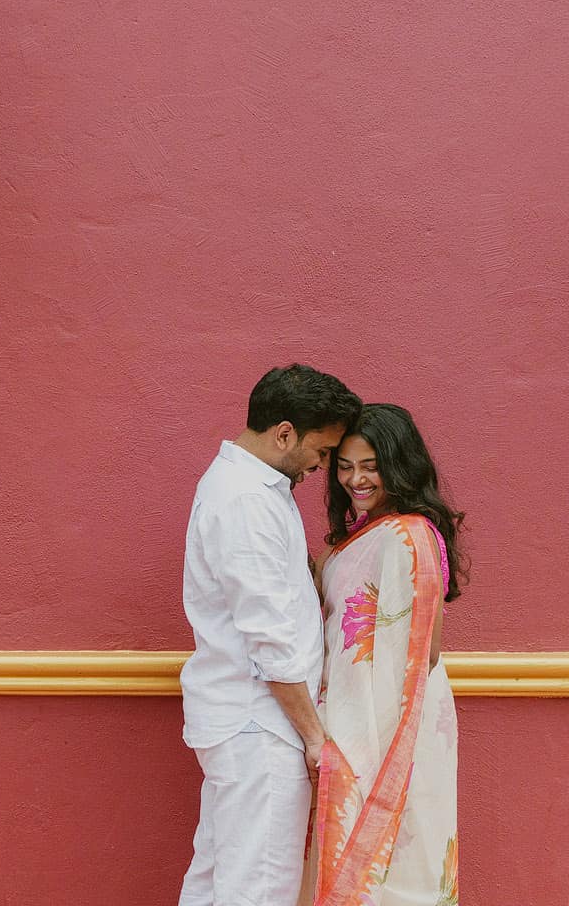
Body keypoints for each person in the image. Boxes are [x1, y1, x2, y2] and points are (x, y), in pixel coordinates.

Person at [179, 364, 362, 906]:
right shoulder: (247, 501)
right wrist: (314, 737)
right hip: (261, 725)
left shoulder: (249, 489)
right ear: (284, 433)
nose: (323, 466)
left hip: (246, 723)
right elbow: (269, 640)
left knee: (217, 884)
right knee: (258, 892)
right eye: (323, 451)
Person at [302, 404, 465, 906]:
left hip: (397, 724)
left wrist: (360, 736)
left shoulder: (410, 536)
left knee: (401, 860)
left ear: (397, 461)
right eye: (345, 466)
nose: (355, 479)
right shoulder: (365, 537)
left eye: (369, 465)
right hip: (361, 718)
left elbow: (422, 652)